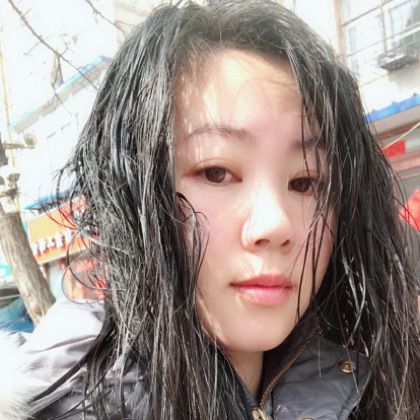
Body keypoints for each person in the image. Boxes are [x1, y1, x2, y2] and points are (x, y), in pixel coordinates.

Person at [0, 1, 419, 419]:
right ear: (132, 194)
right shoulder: (54, 406)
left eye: (306, 182)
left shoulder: (365, 386)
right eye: (216, 172)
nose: (276, 223)